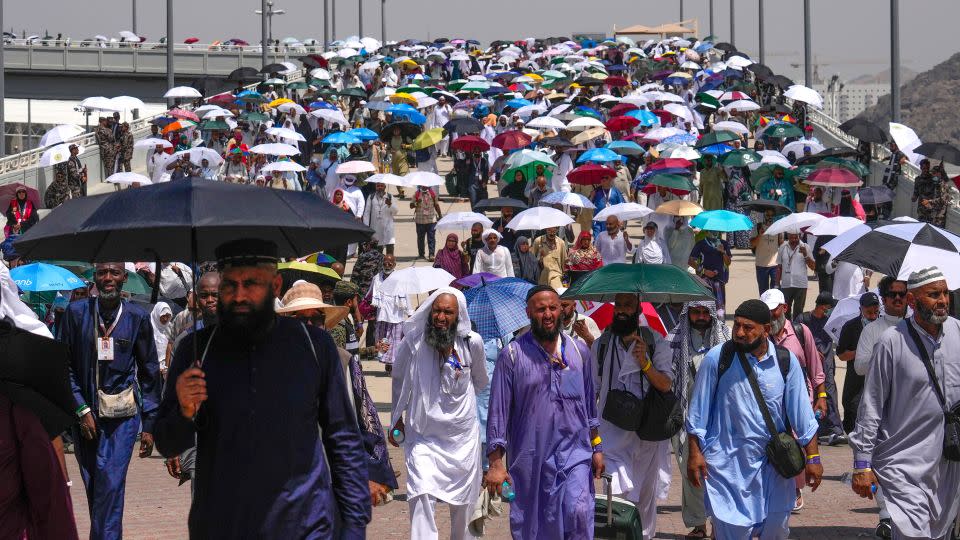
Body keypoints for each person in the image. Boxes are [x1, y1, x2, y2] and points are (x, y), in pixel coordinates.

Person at [154, 238, 370, 538]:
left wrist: (354, 525)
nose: (239, 295)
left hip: (305, 522)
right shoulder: (196, 351)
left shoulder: (313, 346)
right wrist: (184, 411)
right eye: (230, 285)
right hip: (224, 523)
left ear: (276, 286)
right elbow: (167, 442)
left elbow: (343, 438)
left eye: (251, 284)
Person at [686, 299, 822, 539]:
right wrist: (695, 454)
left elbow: (803, 416)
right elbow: (698, 413)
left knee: (776, 530)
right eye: (737, 325)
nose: (739, 332)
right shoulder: (718, 359)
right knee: (734, 531)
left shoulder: (786, 362)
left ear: (766, 330)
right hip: (728, 471)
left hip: (774, 469)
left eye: (748, 328)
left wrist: (813, 457)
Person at [485, 285, 605, 539]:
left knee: (579, 513)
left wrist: (597, 448)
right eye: (541, 309)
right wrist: (496, 463)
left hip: (576, 455)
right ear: (529, 313)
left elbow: (589, 408)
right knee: (538, 526)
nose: (548, 314)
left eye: (553, 307)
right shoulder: (513, 356)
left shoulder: (579, 351)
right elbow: (498, 412)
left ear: (562, 310)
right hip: (532, 459)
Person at [849, 267, 960, 540]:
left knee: (940, 533)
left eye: (945, 293)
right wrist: (862, 463)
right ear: (912, 301)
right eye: (934, 294)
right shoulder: (891, 342)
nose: (943, 300)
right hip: (902, 464)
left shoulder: (958, 332)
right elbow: (871, 406)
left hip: (947, 462)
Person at [57, 262, 162, 540]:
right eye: (102, 272)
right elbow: (62, 365)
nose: (108, 278)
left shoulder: (137, 317)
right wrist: (80, 407)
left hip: (123, 418)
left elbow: (150, 370)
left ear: (124, 278)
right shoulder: (77, 313)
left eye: (114, 273)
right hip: (85, 417)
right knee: (96, 486)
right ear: (94, 277)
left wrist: (150, 423)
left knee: (111, 484)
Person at [276, 282, 398, 508]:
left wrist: (374, 472)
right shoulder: (270, 366)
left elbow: (366, 417)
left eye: (317, 318)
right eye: (301, 319)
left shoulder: (343, 361)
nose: (310, 325)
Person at [389, 287, 488, 540]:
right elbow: (399, 380)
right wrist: (396, 418)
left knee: (464, 504)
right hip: (423, 436)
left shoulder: (471, 342)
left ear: (458, 316)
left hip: (462, 439)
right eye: (437, 311)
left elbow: (479, 382)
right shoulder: (413, 342)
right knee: (420, 492)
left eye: (448, 312)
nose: (441, 317)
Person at [592, 293, 673, 540]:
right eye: (618, 305)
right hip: (612, 435)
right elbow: (591, 390)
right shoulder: (602, 345)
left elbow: (666, 384)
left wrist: (645, 363)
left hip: (646, 436)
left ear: (638, 309)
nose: (621, 310)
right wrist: (592, 437)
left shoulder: (656, 342)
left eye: (628, 305)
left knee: (645, 505)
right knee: (614, 501)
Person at [668, 300, 730, 539]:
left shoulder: (725, 336)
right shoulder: (674, 338)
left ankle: (718, 523)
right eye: (696, 312)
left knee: (717, 471)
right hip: (684, 414)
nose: (701, 316)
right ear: (688, 313)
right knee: (688, 469)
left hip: (718, 416)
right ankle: (698, 524)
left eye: (706, 312)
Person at [794, 292, 846, 446]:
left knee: (829, 391)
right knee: (810, 393)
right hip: (808, 362)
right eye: (829, 308)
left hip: (826, 363)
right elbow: (795, 339)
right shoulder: (803, 320)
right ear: (823, 306)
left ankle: (835, 429)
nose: (830, 311)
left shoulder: (831, 321)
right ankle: (814, 427)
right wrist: (811, 351)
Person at [837, 292, 881, 434]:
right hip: (856, 378)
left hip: (879, 378)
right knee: (852, 408)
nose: (873, 315)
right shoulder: (850, 327)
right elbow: (841, 355)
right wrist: (861, 353)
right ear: (861, 308)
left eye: (876, 311)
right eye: (869, 311)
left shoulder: (885, 325)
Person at [370, 253, 411, 370]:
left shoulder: (400, 278)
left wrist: (410, 312)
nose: (387, 265)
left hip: (397, 316)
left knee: (396, 343)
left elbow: (406, 296)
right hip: (383, 316)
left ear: (394, 264)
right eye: (385, 263)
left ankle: (394, 364)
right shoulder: (377, 278)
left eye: (390, 263)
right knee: (384, 341)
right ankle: (387, 363)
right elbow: (370, 295)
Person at [689, 232, 732, 318]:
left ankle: (720, 327)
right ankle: (705, 325)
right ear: (708, 230)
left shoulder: (724, 243)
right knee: (704, 305)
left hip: (719, 281)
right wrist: (704, 271)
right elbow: (691, 261)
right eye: (712, 229)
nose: (714, 231)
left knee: (720, 307)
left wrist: (723, 252)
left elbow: (728, 262)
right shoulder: (701, 244)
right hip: (704, 281)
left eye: (716, 229)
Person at [775, 232, 816, 320]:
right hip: (786, 284)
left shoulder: (805, 247)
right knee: (785, 311)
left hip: (801, 285)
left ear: (799, 236)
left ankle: (797, 331)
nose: (794, 240)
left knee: (798, 312)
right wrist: (777, 284)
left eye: (796, 238)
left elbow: (813, 267)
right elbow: (779, 267)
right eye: (791, 238)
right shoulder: (782, 247)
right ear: (788, 236)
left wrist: (806, 255)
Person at [363, 182, 398, 255]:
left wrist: (390, 205)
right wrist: (366, 227)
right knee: (377, 253)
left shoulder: (390, 197)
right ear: (375, 187)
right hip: (375, 229)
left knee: (390, 251)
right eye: (378, 186)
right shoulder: (371, 197)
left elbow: (395, 212)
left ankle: (389, 265)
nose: (380, 187)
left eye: (382, 186)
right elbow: (366, 213)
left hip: (388, 228)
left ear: (385, 187)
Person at [912, 159, 950, 227]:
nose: (926, 170)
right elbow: (916, 193)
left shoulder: (933, 179)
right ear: (920, 168)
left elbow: (943, 181)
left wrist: (942, 171)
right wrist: (914, 197)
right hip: (921, 210)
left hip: (932, 212)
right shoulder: (918, 179)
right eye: (924, 168)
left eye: (927, 168)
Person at [751, 210, 781, 294]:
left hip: (775, 264)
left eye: (772, 215)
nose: (769, 217)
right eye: (767, 215)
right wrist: (760, 235)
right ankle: (764, 307)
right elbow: (752, 244)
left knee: (775, 292)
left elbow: (781, 244)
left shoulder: (778, 227)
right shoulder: (757, 227)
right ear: (763, 215)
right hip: (761, 264)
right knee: (763, 293)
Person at [410, 185, 443, 261]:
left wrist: (440, 215)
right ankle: (421, 254)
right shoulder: (417, 193)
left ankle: (431, 254)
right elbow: (411, 206)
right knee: (420, 238)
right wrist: (416, 203)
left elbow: (436, 205)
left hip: (431, 220)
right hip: (420, 220)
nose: (424, 186)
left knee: (431, 238)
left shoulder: (432, 193)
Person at [150, 302, 173, 377]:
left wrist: (166, 366)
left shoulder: (170, 328)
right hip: (149, 368)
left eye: (168, 316)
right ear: (157, 314)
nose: (166, 319)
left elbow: (170, 347)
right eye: (163, 316)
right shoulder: (148, 327)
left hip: (163, 370)